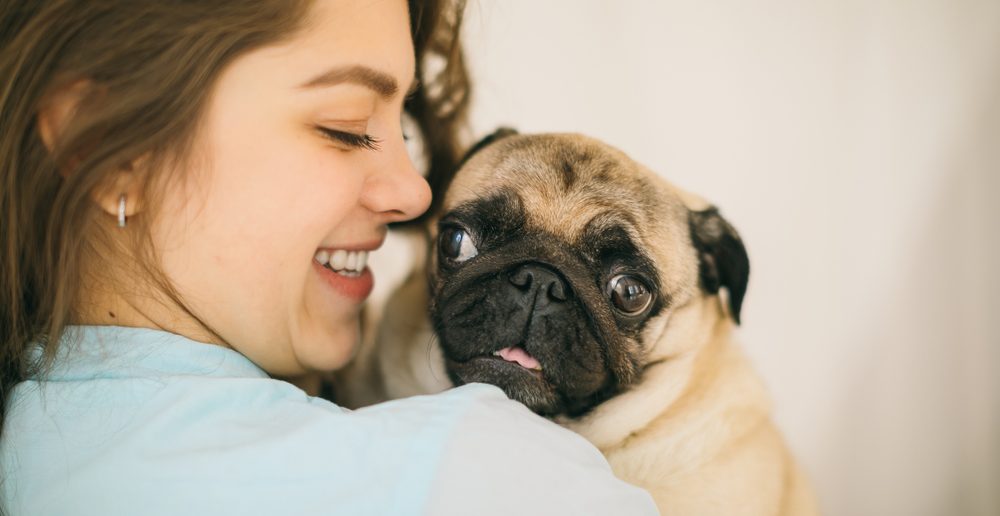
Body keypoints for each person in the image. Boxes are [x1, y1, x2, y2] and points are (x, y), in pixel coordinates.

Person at [0, 1, 658, 515]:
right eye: (343, 128)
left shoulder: (31, 456)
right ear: (107, 146)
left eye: (402, 129)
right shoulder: (481, 475)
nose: (418, 192)